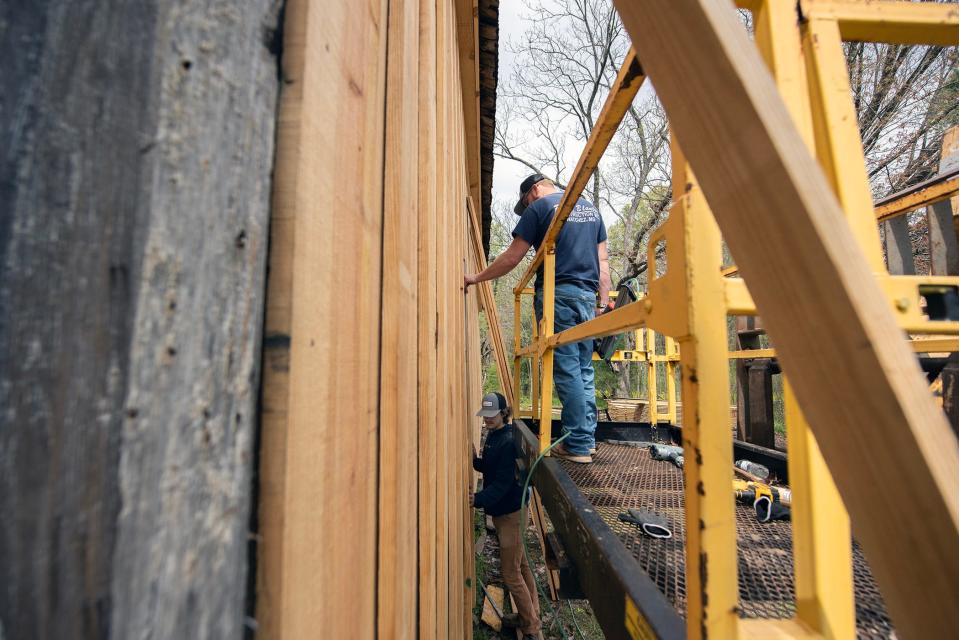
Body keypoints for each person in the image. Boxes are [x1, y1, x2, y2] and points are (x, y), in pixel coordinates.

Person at [465, 174, 610, 463]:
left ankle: (578, 445)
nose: (526, 205)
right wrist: (603, 303)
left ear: (535, 189)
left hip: (559, 296)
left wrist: (476, 278)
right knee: (584, 369)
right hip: (586, 297)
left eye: (525, 201)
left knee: (567, 368)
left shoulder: (541, 208)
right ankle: (587, 439)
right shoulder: (590, 208)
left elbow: (513, 257)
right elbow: (603, 263)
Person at [471, 392, 541, 640]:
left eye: (492, 415)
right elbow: (491, 467)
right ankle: (530, 614)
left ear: (503, 413)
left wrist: (476, 500)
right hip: (504, 511)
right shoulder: (495, 434)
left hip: (511, 513)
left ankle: (531, 628)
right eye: (485, 416)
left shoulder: (509, 441)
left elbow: (501, 484)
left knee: (510, 573)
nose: (488, 420)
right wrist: (475, 462)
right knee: (520, 566)